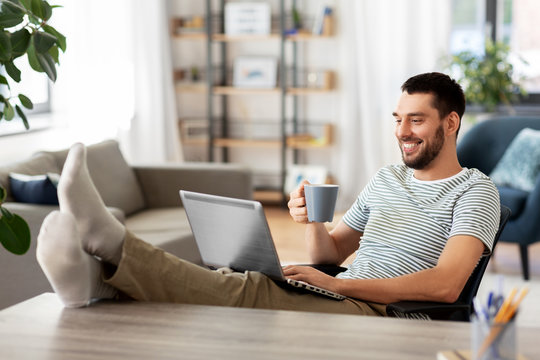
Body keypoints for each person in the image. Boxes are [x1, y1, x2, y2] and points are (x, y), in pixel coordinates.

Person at [36, 72, 500, 316]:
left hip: (388, 312)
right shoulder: (386, 178)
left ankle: (111, 248)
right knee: (227, 280)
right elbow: (332, 251)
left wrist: (337, 284)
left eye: (416, 119)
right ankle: (98, 283)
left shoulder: (475, 191)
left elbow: (446, 284)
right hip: (343, 294)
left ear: (451, 123)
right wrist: (312, 220)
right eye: (397, 119)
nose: (402, 131)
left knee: (245, 292)